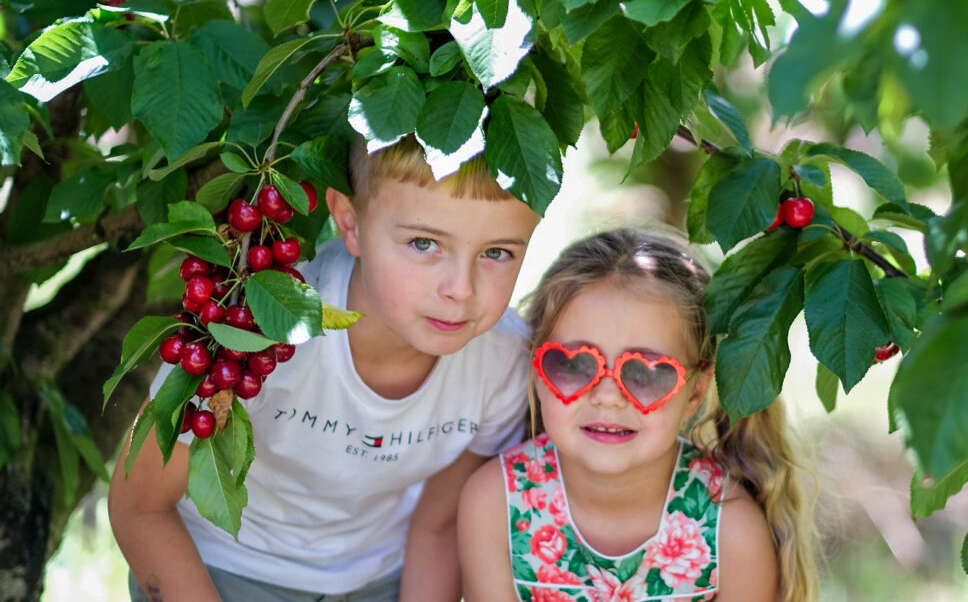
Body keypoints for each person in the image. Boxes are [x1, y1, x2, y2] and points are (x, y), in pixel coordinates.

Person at [108, 135, 544, 602]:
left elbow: (438, 524)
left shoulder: (501, 363)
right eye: (424, 243)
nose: (461, 288)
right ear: (350, 222)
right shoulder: (259, 329)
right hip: (222, 570)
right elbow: (142, 506)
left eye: (497, 253)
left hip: (382, 579)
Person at [457, 228, 820, 602]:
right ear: (537, 369)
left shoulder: (730, 531)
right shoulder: (495, 505)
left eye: (647, 372)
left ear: (696, 391)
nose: (609, 397)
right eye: (575, 364)